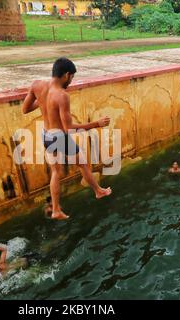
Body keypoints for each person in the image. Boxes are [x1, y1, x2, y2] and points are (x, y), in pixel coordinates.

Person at [22, 57, 112, 220]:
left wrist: (43, 101)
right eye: (71, 77)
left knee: (56, 172)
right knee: (83, 164)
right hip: (59, 137)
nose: (71, 81)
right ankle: (98, 191)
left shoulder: (37, 85)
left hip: (46, 136)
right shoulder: (62, 96)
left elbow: (25, 109)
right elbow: (68, 127)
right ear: (66, 75)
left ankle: (56, 209)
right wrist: (96, 124)